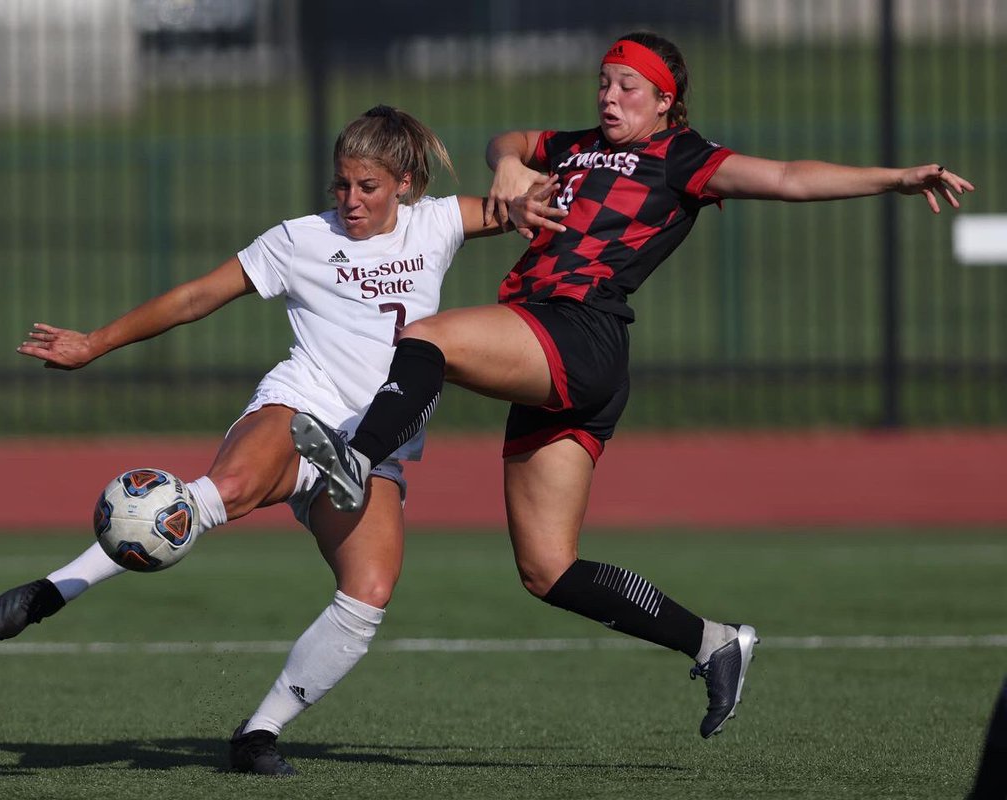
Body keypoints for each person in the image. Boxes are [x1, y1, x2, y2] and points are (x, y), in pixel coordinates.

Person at [290, 31, 976, 740]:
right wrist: (507, 166)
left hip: (578, 331)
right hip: (559, 358)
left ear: (665, 102)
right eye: (604, 82)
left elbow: (790, 177)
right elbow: (512, 138)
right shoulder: (575, 145)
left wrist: (894, 178)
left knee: (428, 339)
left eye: (628, 88)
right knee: (548, 571)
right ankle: (714, 643)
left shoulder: (685, 158)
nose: (610, 96)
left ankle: (359, 457)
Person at [0, 105, 537, 776]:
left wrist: (523, 169)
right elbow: (195, 297)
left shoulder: (439, 222)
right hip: (300, 410)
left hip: (373, 449)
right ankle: (55, 590)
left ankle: (257, 734)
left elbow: (543, 196)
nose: (349, 200)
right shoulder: (299, 240)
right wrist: (95, 343)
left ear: (406, 183)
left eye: (367, 187)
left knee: (370, 590)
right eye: (341, 185)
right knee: (232, 490)